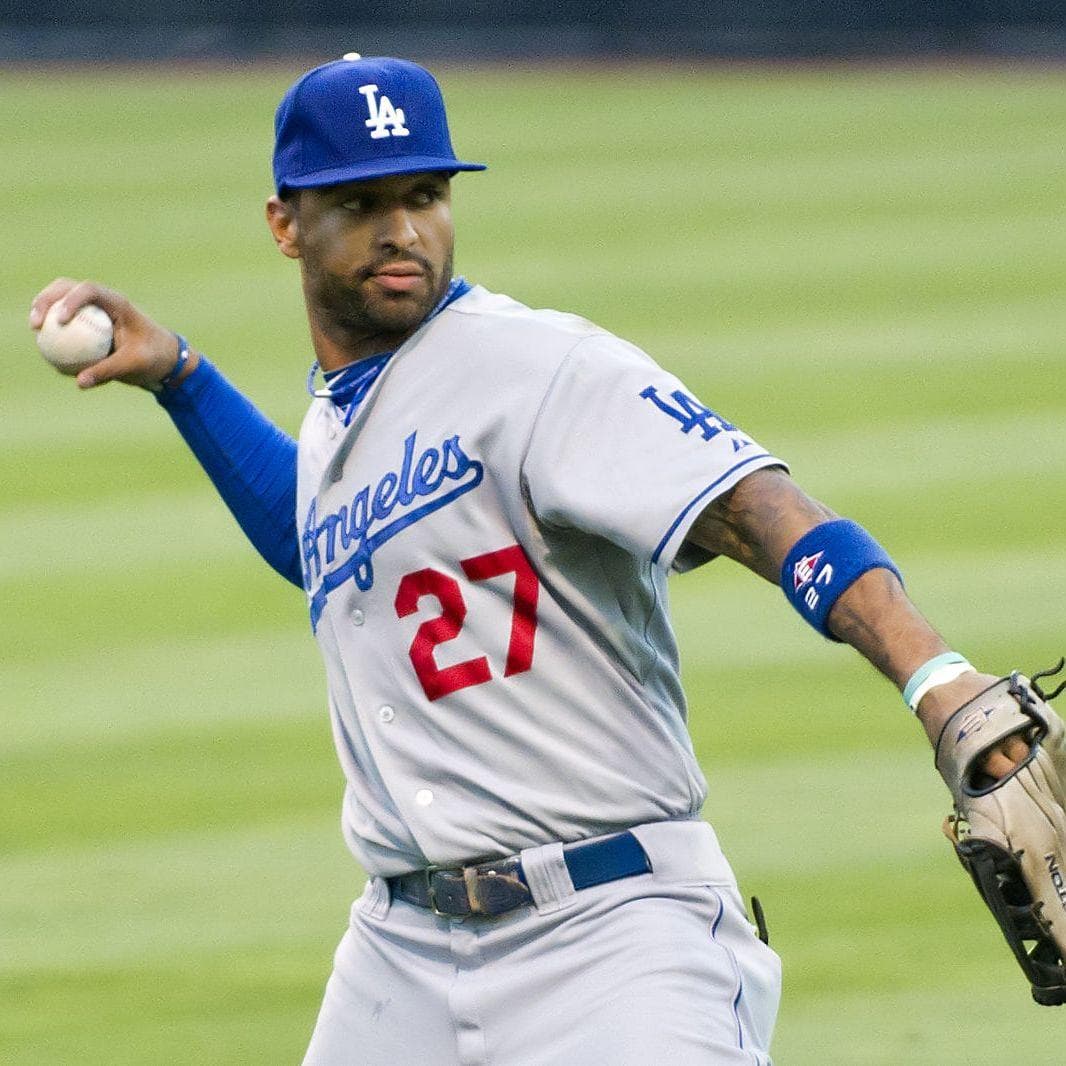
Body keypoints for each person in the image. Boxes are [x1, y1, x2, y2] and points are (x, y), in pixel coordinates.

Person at [30, 55, 1027, 1065]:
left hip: (610, 933)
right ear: (286, 225)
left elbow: (759, 511)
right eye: (362, 203)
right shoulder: (348, 408)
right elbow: (326, 544)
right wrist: (183, 379)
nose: (402, 230)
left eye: (425, 195)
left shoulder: (540, 367)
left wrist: (938, 682)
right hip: (401, 954)